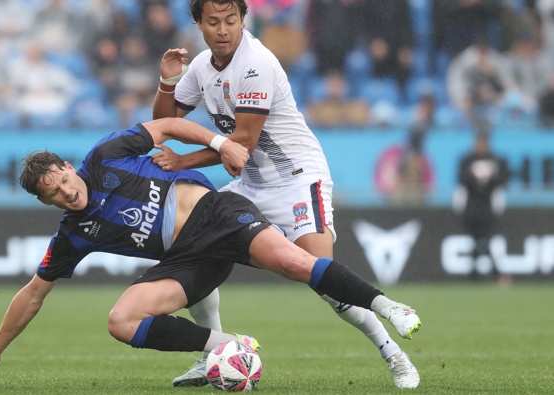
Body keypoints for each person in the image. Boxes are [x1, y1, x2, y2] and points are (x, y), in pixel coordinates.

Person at [0, 117, 422, 386]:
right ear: (46, 202)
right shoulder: (72, 235)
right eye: (56, 194)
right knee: (120, 321)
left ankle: (389, 306)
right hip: (187, 258)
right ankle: (227, 348)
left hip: (218, 215)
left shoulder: (104, 157)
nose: (67, 192)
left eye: (64, 179)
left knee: (294, 263)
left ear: (67, 166)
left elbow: (167, 125)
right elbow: (33, 294)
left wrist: (220, 143)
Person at [150, 0, 421, 389]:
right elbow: (165, 122)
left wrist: (182, 162)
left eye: (231, 20)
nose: (223, 29)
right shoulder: (200, 68)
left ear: (244, 19)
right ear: (198, 25)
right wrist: (167, 82)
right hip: (252, 184)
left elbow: (241, 144)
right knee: (188, 245)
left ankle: (394, 354)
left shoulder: (256, 63)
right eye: (213, 21)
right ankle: (213, 354)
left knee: (323, 279)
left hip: (297, 178)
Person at [453, 130, 509, 283]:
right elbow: (461, 179)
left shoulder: (496, 160)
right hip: (471, 206)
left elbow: (503, 180)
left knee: (484, 240)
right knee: (476, 240)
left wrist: (489, 177)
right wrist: (474, 175)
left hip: (487, 206)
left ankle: (479, 275)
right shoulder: (467, 160)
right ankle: (487, 274)